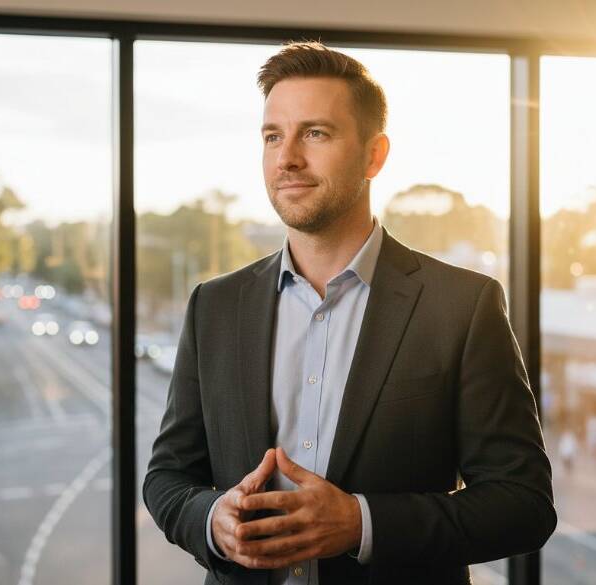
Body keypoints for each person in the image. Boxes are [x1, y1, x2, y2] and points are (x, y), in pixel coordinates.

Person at [143, 41, 556, 585]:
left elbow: (522, 504)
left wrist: (360, 523)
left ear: (374, 155)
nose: (287, 157)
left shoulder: (463, 305)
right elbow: (168, 477)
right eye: (273, 136)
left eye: (315, 133)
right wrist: (213, 520)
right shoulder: (214, 306)